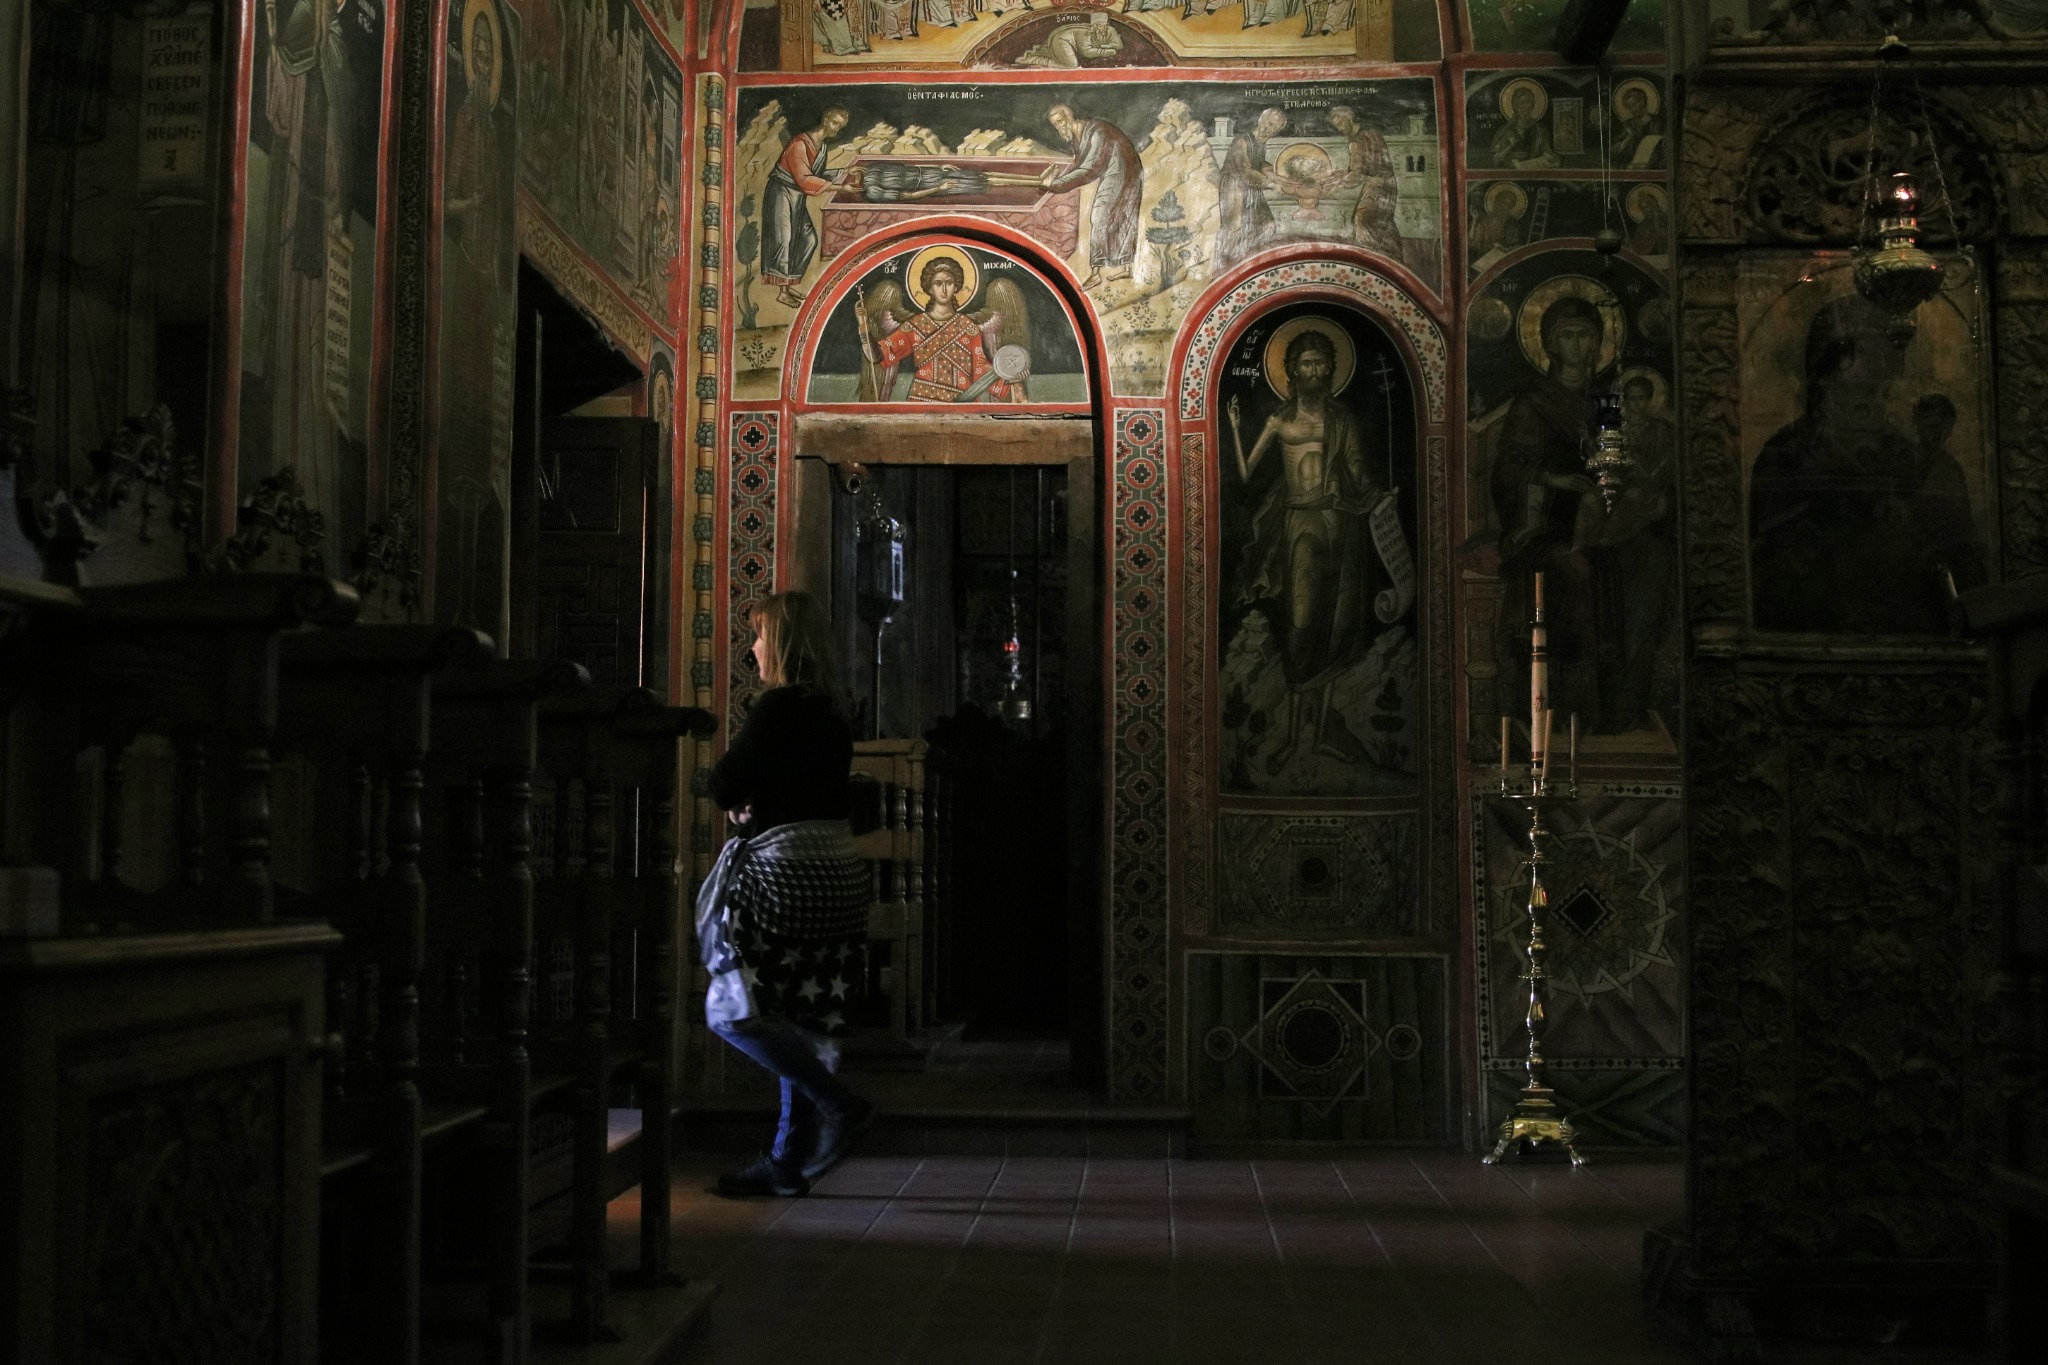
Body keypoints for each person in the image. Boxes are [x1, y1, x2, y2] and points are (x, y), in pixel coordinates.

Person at [699, 592, 876, 1197]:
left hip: (787, 879)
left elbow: (723, 783)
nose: (752, 649)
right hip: (838, 877)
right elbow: (800, 786)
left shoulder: (777, 706)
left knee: (732, 1012)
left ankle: (838, 1103)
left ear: (780, 644)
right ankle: (787, 1161)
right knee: (797, 1020)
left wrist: (742, 800)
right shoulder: (833, 710)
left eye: (758, 637)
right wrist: (757, 799)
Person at [1228, 328, 1391, 772]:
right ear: (1292, 371)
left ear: (1331, 370)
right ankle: (1292, 739)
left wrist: (1374, 493)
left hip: (1340, 523)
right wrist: (1235, 429)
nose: (1314, 371)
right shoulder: (1278, 420)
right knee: (1301, 624)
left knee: (1336, 625)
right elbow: (1245, 472)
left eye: (1321, 363)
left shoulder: (1343, 419)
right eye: (1306, 363)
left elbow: (1357, 469)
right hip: (1299, 525)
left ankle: (1319, 738)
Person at [865, 255, 1024, 402]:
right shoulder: (915, 325)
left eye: (949, 283)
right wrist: (863, 330)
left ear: (956, 287)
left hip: (962, 402)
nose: (944, 289)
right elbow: (880, 356)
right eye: (938, 283)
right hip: (922, 402)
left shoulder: (968, 327)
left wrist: (1008, 376)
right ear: (929, 288)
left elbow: (979, 369)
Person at [1040, 104, 1142, 290]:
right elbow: (1080, 164)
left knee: (1102, 216)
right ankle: (1124, 267)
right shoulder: (1079, 136)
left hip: (1125, 171)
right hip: (1116, 170)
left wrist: (1056, 185)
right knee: (1119, 216)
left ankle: (1096, 274)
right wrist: (1056, 179)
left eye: (1060, 121)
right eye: (1055, 124)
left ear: (1069, 117)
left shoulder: (1097, 132)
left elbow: (1089, 168)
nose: (1059, 126)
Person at [762, 106, 852, 310]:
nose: (836, 128)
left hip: (797, 196)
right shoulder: (799, 144)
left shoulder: (822, 147)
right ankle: (782, 292)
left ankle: (788, 283)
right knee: (783, 240)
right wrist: (840, 188)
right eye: (834, 123)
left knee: (808, 239)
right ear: (825, 119)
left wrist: (846, 170)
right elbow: (804, 179)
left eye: (840, 126)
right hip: (782, 192)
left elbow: (817, 175)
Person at [1218, 107, 1286, 269]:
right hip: (1234, 187)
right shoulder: (1242, 141)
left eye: (1275, 127)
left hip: (1251, 187)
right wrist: (1271, 183)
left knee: (1267, 224)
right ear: (1261, 121)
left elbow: (1258, 163)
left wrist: (1275, 173)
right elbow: (1245, 171)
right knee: (1234, 227)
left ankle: (1252, 262)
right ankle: (1225, 264)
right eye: (1269, 124)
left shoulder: (1260, 142)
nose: (1270, 129)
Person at [1328, 105, 1400, 255]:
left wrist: (1338, 183)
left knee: (1362, 220)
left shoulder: (1357, 142)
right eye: (1336, 126)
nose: (1339, 129)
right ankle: (1395, 256)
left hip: (1377, 185)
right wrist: (1345, 173)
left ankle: (1369, 254)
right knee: (1384, 220)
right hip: (1388, 183)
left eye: (1340, 123)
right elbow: (1369, 165)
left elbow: (1357, 174)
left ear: (1349, 117)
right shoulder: (1372, 133)